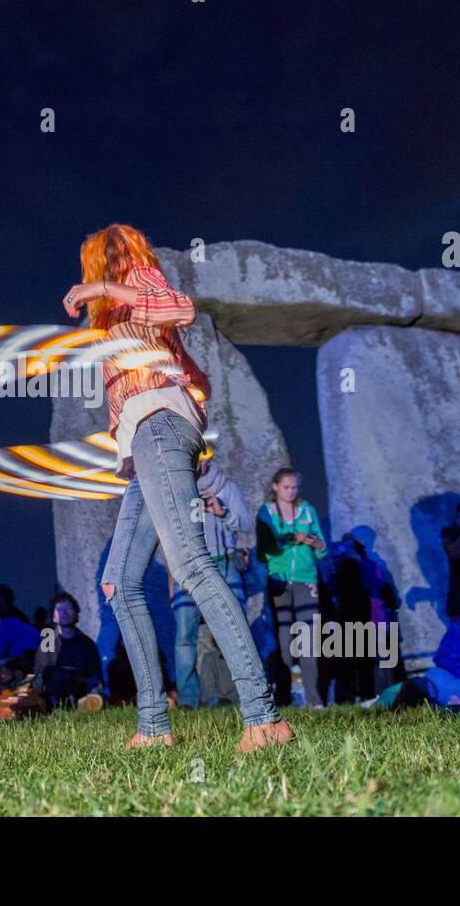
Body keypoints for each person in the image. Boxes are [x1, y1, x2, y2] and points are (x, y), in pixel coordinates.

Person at [65, 223, 291, 751]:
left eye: (92, 265)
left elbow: (179, 308)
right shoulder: (120, 320)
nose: (89, 274)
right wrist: (186, 382)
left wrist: (101, 288)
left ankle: (263, 718)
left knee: (191, 565)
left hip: (159, 431)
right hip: (148, 442)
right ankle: (151, 728)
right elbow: (195, 376)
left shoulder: (137, 279)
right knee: (118, 584)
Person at [168, 450, 252, 709]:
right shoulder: (178, 490)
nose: (196, 462)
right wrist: (171, 580)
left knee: (237, 630)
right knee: (184, 635)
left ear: (207, 459)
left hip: (224, 564)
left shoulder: (226, 488)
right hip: (189, 567)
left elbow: (246, 524)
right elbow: (169, 535)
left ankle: (247, 695)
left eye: (200, 457)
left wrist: (223, 513)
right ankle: (188, 700)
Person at [257, 468, 327, 708]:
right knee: (284, 639)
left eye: (295, 487)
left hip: (306, 577)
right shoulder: (266, 512)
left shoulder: (307, 510)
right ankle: (285, 698)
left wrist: (316, 543)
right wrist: (291, 539)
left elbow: (322, 545)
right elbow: (265, 548)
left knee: (308, 639)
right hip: (278, 578)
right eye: (286, 487)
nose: (291, 491)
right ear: (275, 487)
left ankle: (314, 700)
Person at [33, 592, 103, 708]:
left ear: (76, 614)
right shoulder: (47, 642)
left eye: (69, 609)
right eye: (60, 609)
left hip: (79, 697)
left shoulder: (87, 644)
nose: (64, 613)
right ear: (54, 617)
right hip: (52, 700)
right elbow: (39, 677)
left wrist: (92, 698)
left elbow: (95, 677)